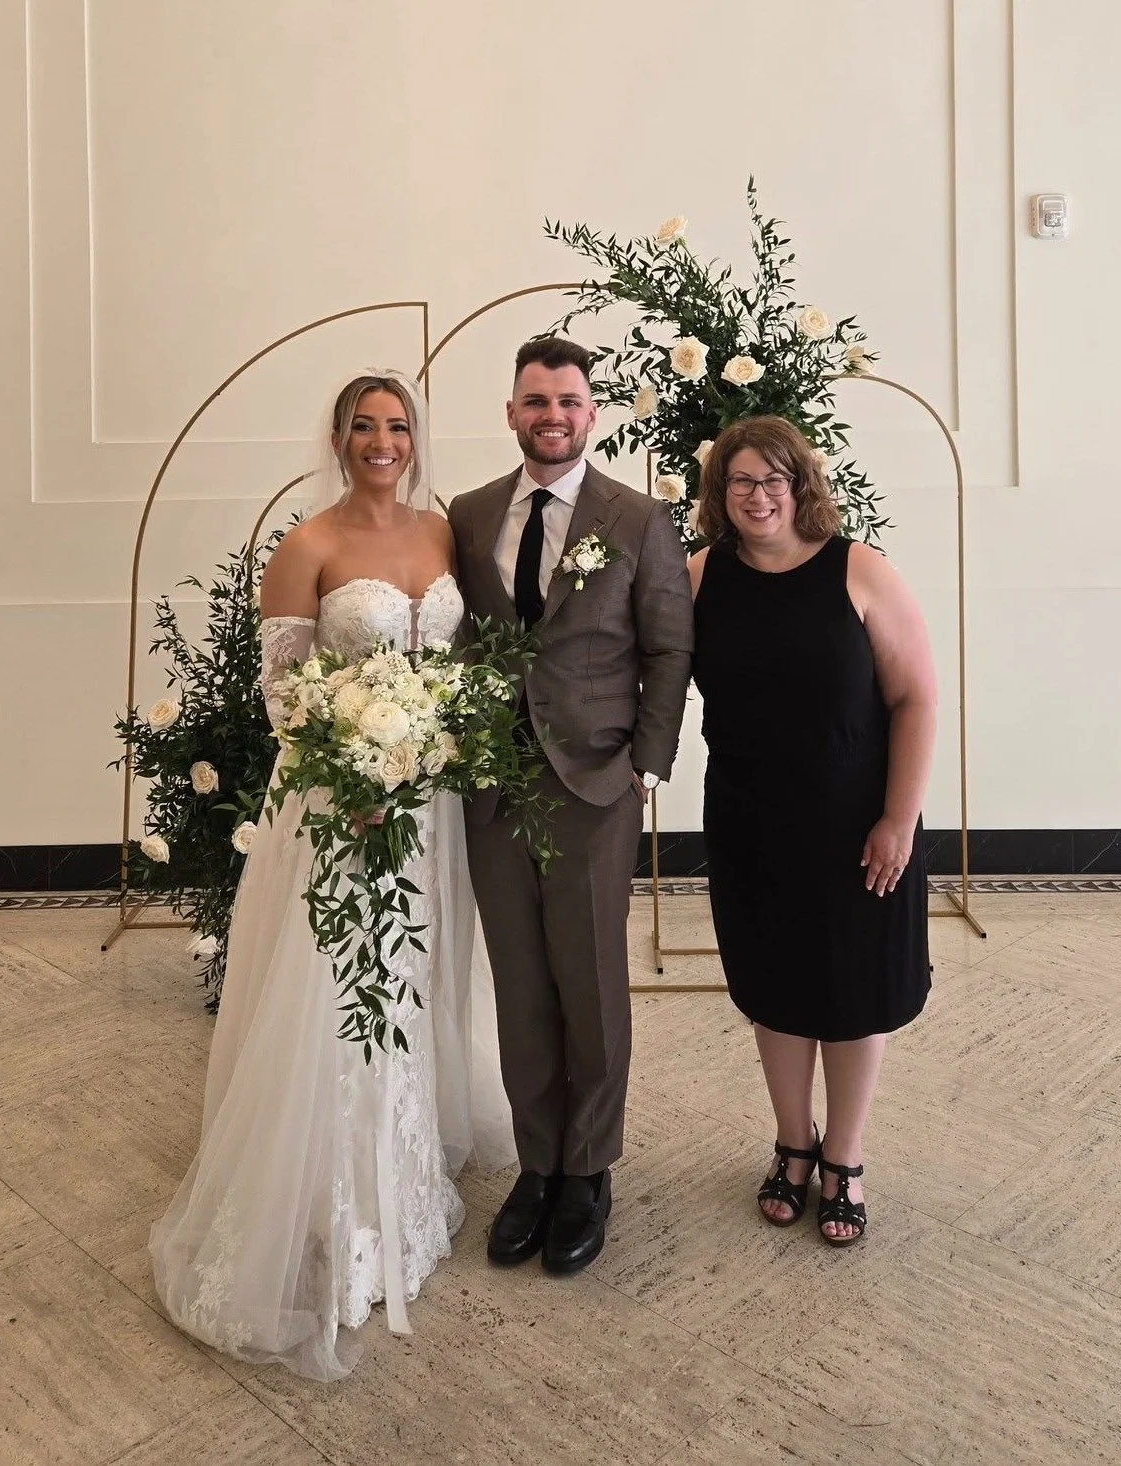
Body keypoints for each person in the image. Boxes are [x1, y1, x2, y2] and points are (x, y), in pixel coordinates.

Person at [150, 371, 514, 1380]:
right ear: (340, 438)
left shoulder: (443, 534)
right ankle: (334, 1188)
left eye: (396, 424)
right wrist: (353, 770)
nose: (381, 440)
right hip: (340, 803)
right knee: (343, 981)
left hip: (430, 800)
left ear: (414, 437)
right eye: (364, 425)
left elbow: (459, 665)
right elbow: (283, 695)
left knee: (418, 968)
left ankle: (408, 1156)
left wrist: (436, 742)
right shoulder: (305, 546)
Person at [447, 338, 693, 1275]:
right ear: (511, 413)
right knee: (520, 985)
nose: (552, 415)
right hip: (493, 785)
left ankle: (588, 1170)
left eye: (568, 401)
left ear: (592, 414)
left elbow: (669, 647)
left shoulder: (638, 516)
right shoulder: (470, 514)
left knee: (589, 982)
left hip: (595, 782)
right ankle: (538, 1164)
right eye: (535, 400)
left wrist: (648, 765)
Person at [688, 415, 937, 1246]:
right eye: (741, 480)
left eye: (774, 479)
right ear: (720, 493)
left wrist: (898, 820)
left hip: (856, 823)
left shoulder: (859, 570)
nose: (758, 495)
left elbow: (917, 699)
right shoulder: (699, 576)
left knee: (855, 992)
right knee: (776, 988)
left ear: (802, 486)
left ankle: (845, 1156)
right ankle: (794, 1144)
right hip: (750, 822)